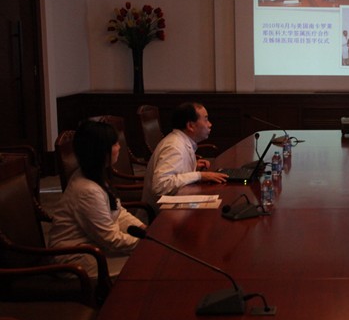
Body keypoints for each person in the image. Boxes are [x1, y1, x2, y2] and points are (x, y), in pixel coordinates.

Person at [48, 120, 145, 277]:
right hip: (77, 257)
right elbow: (110, 238)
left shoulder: (95, 174)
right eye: (114, 144)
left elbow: (118, 211)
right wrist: (146, 243)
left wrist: (142, 228)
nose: (119, 147)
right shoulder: (87, 190)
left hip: (94, 247)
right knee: (145, 264)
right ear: (100, 151)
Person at [142, 102, 228, 213]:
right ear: (190, 126)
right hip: (161, 216)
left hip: (175, 205)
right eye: (206, 119)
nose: (210, 124)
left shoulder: (181, 140)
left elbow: (174, 173)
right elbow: (160, 186)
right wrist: (199, 175)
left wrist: (192, 166)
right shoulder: (174, 147)